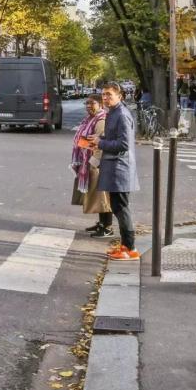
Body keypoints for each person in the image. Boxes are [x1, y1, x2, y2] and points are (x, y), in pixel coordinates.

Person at [89, 82, 140, 261]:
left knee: (121, 208)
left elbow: (124, 144)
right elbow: (114, 137)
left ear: (120, 96)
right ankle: (126, 245)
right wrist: (99, 138)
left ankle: (130, 248)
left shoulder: (121, 114)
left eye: (109, 94)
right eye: (103, 94)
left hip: (120, 168)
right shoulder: (114, 112)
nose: (105, 98)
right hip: (115, 167)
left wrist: (101, 143)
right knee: (119, 207)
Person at [71, 94, 112, 237]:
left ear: (100, 104)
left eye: (92, 103)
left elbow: (100, 143)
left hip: (97, 163)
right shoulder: (90, 119)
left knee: (102, 197)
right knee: (97, 196)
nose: (88, 106)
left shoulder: (101, 120)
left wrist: (93, 162)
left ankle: (107, 227)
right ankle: (102, 224)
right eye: (86, 103)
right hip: (89, 160)